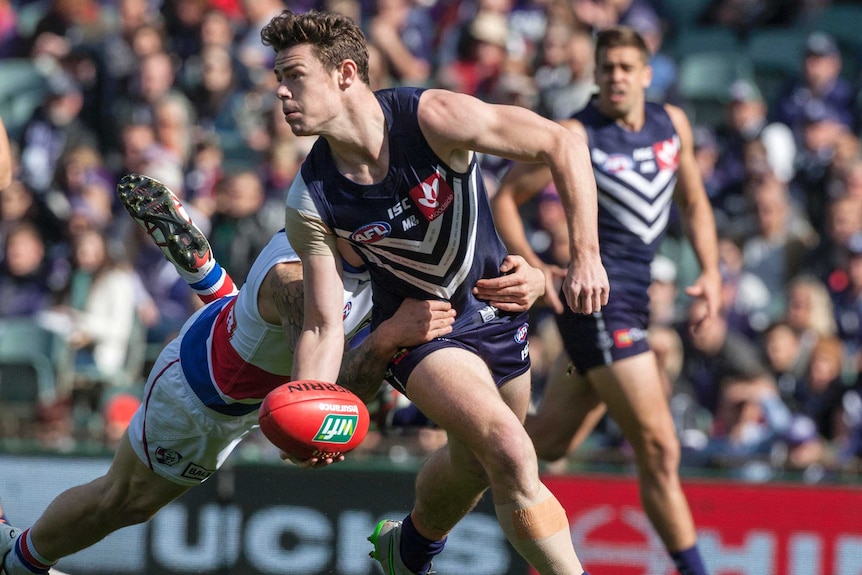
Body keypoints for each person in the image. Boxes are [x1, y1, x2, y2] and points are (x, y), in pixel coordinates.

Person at [0, 172, 544, 575]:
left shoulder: (374, 257)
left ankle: (211, 280)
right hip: (203, 398)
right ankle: (17, 558)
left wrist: (533, 278)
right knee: (125, 501)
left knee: (282, 334)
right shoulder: (301, 278)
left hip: (248, 351)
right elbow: (307, 405)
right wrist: (382, 343)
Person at [262, 9, 608, 575]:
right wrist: (312, 404)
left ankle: (409, 551)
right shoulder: (310, 200)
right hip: (420, 333)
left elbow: (562, 144)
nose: (280, 90)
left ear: (345, 74)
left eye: (295, 75)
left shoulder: (433, 116)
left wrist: (582, 257)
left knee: (475, 462)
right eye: (279, 77)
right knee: (512, 451)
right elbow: (324, 325)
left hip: (497, 308)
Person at [492, 26, 720, 575]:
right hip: (595, 303)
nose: (616, 76)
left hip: (635, 303)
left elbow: (692, 200)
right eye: (607, 67)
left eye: (626, 67)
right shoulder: (576, 132)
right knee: (660, 448)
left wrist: (711, 271)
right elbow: (505, 197)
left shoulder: (673, 124)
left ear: (646, 73)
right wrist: (539, 267)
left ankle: (418, 418)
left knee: (545, 443)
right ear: (594, 74)